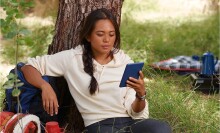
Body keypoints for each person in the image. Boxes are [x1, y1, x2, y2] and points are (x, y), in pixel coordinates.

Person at [21, 8, 172, 133]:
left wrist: (141, 95)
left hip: (130, 123)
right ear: (88, 36)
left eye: (111, 35)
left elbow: (136, 113)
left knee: (161, 128)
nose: (107, 40)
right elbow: (29, 67)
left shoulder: (124, 61)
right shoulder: (73, 58)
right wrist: (44, 86)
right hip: (100, 126)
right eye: (100, 34)